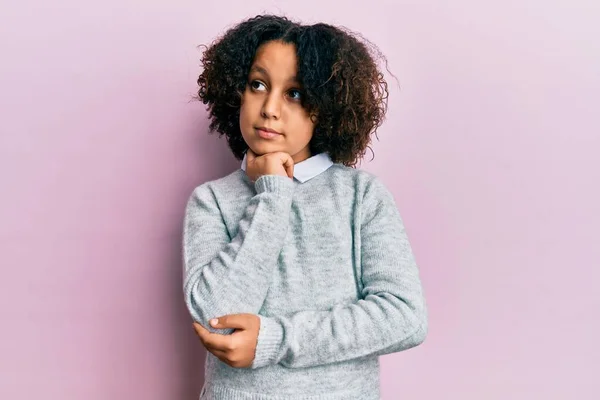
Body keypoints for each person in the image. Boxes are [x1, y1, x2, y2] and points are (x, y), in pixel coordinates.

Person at [182, 14, 428, 400]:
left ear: (326, 107)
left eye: (294, 93)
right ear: (236, 92)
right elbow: (217, 318)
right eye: (257, 84)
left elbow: (404, 317)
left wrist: (276, 339)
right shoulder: (211, 201)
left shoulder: (361, 196)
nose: (270, 109)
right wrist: (274, 193)